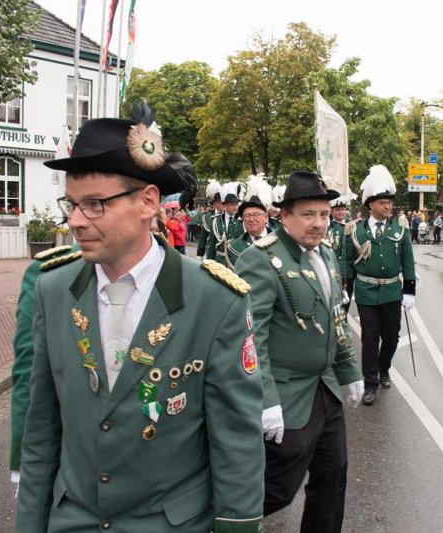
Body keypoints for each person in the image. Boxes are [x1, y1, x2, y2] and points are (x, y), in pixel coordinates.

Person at [16, 113, 265, 531]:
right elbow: (41, 428)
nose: (76, 221)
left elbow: (237, 445)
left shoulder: (214, 300)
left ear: (148, 202)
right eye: (72, 205)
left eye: (95, 204)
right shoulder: (53, 290)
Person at [234, 171, 363, 533]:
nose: (319, 223)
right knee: (274, 489)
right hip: (285, 394)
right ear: (284, 215)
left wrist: (349, 371)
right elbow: (250, 336)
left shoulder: (327, 256)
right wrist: (265, 398)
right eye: (308, 214)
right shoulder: (260, 259)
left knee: (332, 480)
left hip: (325, 390)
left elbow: (336, 320)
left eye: (324, 214)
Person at [10, 244, 81, 488]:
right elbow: (28, 371)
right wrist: (22, 463)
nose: (77, 220)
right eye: (72, 207)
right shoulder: (46, 272)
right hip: (73, 457)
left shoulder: (187, 280)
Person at [345, 165, 416, 406]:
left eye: (389, 202)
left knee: (392, 337)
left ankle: (384, 367)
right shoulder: (355, 231)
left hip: (392, 293)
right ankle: (370, 382)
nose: (388, 206)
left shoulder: (400, 230)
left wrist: (410, 291)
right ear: (371, 205)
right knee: (369, 339)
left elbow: (408, 261)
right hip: (366, 292)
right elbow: (347, 262)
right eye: (383, 202)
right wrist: (346, 289)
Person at [228, 192, 271, 268]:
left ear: (266, 217)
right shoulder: (234, 247)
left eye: (256, 215)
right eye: (247, 216)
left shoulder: (280, 241)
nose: (251, 219)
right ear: (243, 219)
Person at [327, 194, 355, 312]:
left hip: (347, 272)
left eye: (343, 209)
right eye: (337, 210)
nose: (340, 212)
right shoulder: (327, 226)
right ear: (332, 211)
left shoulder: (352, 226)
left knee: (344, 307)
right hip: (330, 271)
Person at [207, 182, 243, 267]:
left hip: (234, 263)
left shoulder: (240, 222)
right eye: (232, 205)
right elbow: (212, 244)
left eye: (236, 204)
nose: (235, 207)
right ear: (225, 205)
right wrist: (209, 263)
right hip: (218, 262)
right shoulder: (216, 220)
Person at [196, 180, 223, 261]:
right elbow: (203, 237)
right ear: (214, 203)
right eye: (219, 202)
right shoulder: (207, 216)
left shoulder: (230, 216)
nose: (222, 204)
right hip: (211, 254)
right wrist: (200, 254)